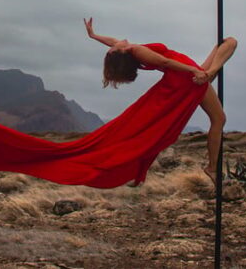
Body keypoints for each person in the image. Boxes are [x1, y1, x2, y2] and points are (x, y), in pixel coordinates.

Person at [84, 17, 237, 184]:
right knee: (219, 119)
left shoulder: (127, 50)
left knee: (227, 43)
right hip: (187, 78)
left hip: (189, 75)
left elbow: (112, 41)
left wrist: (93, 35)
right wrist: (194, 70)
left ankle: (209, 72)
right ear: (120, 52)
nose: (115, 42)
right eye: (113, 47)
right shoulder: (136, 51)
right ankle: (212, 168)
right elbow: (166, 62)